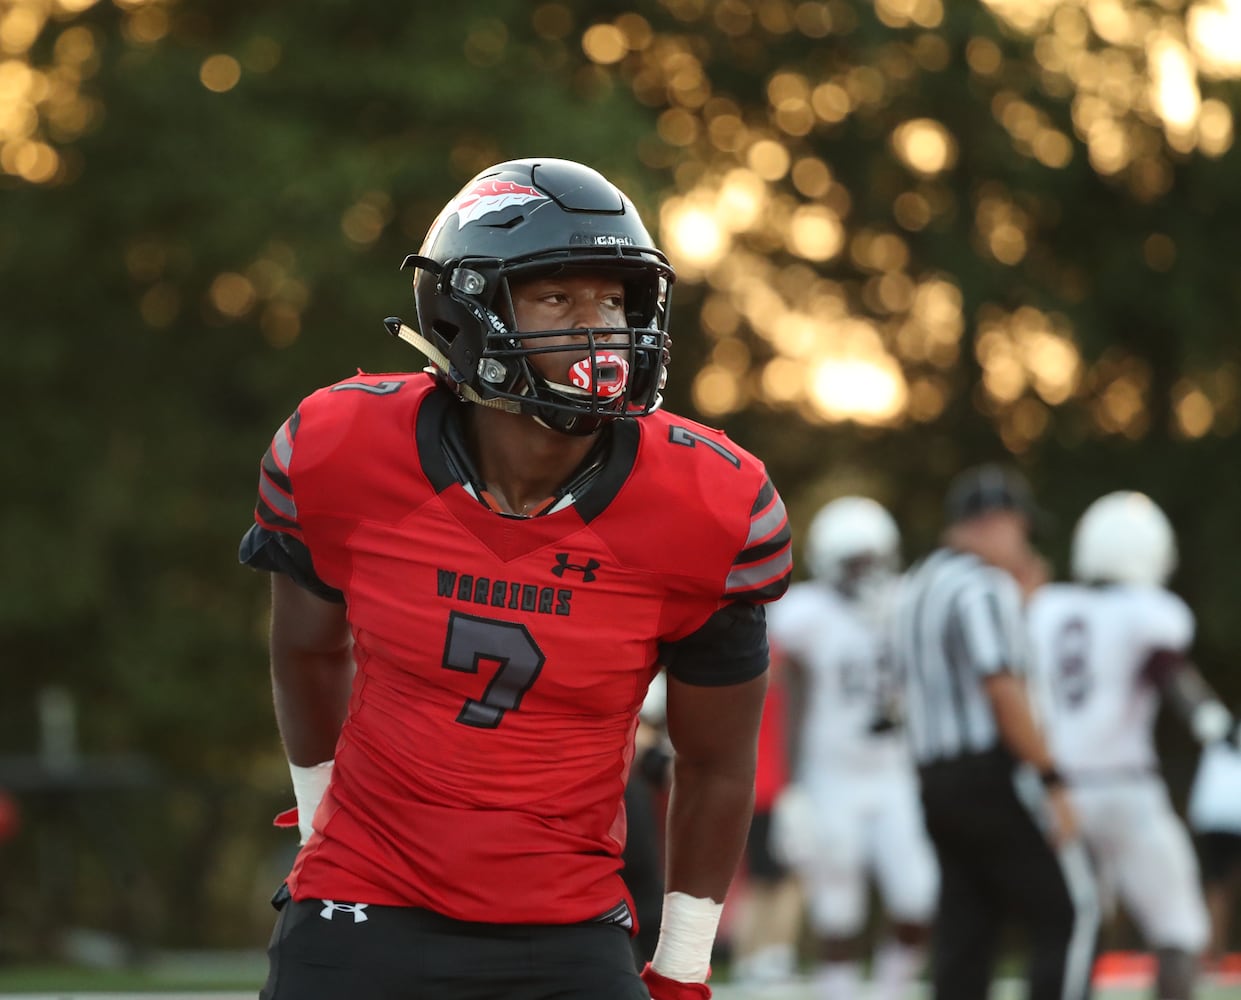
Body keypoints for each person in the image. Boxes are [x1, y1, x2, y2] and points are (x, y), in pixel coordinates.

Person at [238, 157, 793, 1000]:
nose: (600, 326)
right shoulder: (344, 448)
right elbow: (307, 656)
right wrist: (321, 822)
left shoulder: (708, 504)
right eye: (558, 297)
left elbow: (715, 761)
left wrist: (680, 964)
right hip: (365, 902)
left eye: (613, 299)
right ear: (466, 312)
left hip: (565, 929)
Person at [888, 463, 1098, 1000]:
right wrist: (1051, 779)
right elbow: (1002, 689)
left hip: (934, 777)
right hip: (988, 774)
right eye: (1021, 528)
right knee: (1068, 911)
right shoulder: (983, 587)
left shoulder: (915, 584)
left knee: (967, 928)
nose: (1024, 544)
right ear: (997, 521)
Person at [1028, 490, 1241, 1000]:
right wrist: (1215, 724)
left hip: (1057, 789)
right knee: (1180, 928)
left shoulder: (1046, 607)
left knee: (1071, 925)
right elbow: (1166, 671)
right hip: (1125, 786)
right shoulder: (1149, 612)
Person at [766, 496, 938, 1000]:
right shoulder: (808, 613)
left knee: (918, 897)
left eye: (873, 559)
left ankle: (890, 991)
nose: (868, 573)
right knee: (837, 908)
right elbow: (793, 702)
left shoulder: (908, 604)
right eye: (855, 561)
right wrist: (793, 787)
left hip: (895, 775)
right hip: (831, 777)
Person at [1188, 741, 1241, 966]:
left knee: (1217, 885)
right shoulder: (1215, 725)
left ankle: (1214, 950)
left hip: (1216, 815)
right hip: (1217, 816)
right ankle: (1213, 950)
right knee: (1217, 884)